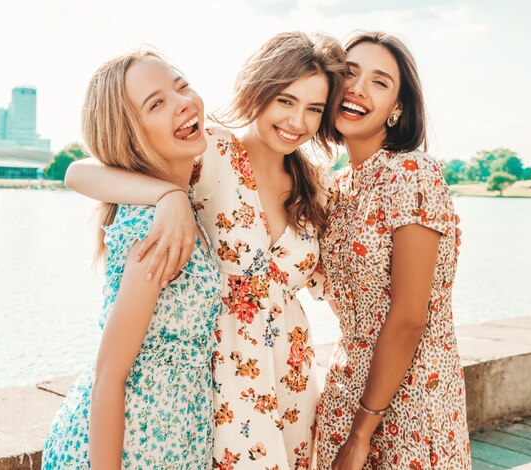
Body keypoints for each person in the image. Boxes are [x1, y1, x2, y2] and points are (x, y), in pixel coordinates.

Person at [64, 31, 346, 469]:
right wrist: (168, 196)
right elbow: (80, 172)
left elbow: (341, 291)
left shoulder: (317, 189)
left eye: (314, 108)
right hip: (220, 375)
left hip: (291, 376)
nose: (298, 121)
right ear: (259, 90)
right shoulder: (211, 151)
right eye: (286, 101)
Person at [42, 50, 222, 469]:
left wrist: (172, 194)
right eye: (156, 103)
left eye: (181, 86)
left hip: (170, 440)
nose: (182, 102)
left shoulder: (180, 205)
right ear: (129, 135)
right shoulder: (153, 228)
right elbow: (109, 375)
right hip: (132, 447)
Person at [311, 32, 471, 469]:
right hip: (346, 387)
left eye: (380, 82)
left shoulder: (413, 173)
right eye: (349, 73)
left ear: (397, 108)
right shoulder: (337, 186)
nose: (358, 88)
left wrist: (361, 433)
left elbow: (408, 318)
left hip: (412, 399)